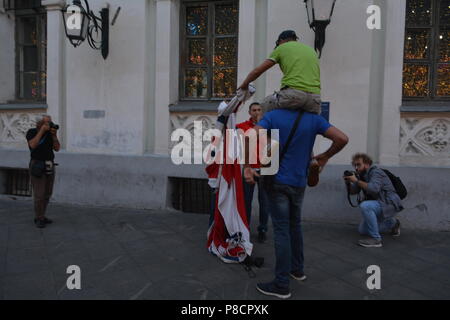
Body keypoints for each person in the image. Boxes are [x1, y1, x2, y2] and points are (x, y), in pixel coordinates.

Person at [243, 109, 349, 299]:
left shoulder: (274, 116)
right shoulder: (314, 119)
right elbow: (342, 138)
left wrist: (247, 167)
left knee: (282, 230)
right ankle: (297, 270)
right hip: (299, 182)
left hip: (278, 182)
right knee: (295, 225)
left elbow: (250, 136)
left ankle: (282, 284)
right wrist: (324, 156)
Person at [238, 30, 323, 185]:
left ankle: (268, 155)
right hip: (315, 99)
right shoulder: (311, 51)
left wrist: (244, 85)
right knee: (303, 127)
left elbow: (258, 70)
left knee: (263, 108)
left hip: (292, 95)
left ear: (281, 41)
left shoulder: (282, 48)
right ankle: (312, 160)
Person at [344, 153, 403, 248]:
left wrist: (356, 181)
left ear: (367, 164)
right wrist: (348, 183)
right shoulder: (361, 176)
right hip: (379, 204)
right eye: (355, 165)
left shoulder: (376, 172)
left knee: (365, 206)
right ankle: (393, 223)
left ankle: (376, 239)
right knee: (362, 230)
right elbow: (353, 192)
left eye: (358, 164)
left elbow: (374, 189)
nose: (356, 168)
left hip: (389, 202)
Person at [236, 102, 270, 243]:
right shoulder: (242, 126)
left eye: (259, 110)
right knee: (246, 202)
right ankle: (245, 228)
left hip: (264, 170)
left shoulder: (268, 126)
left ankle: (262, 229)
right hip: (249, 170)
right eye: (254, 110)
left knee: (264, 202)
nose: (256, 112)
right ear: (249, 112)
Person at [26, 114, 60, 228]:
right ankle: (38, 218)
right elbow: (33, 145)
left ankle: (42, 215)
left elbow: (57, 148)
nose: (49, 124)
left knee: (47, 193)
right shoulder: (31, 132)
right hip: (37, 165)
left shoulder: (50, 134)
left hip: (49, 164)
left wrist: (54, 136)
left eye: (50, 122)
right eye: (47, 122)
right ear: (39, 123)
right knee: (39, 194)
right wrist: (41, 131)